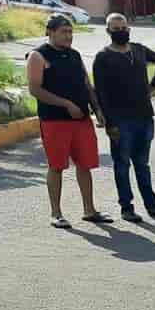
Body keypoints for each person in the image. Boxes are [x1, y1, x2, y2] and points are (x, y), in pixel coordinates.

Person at [27, 14, 109, 227]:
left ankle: (89, 210)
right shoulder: (38, 56)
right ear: (50, 32)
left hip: (81, 119)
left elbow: (86, 83)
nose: (68, 36)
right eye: (63, 32)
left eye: (70, 32)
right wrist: (65, 104)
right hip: (54, 121)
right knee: (56, 166)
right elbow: (35, 89)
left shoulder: (74, 55)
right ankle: (56, 213)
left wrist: (96, 108)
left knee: (85, 164)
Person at [92, 12, 155, 223]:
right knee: (122, 164)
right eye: (115, 29)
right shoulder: (103, 57)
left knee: (142, 164)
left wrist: (154, 86)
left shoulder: (139, 50)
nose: (120, 32)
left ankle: (152, 205)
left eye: (123, 27)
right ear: (108, 32)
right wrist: (108, 122)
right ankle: (126, 207)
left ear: (129, 29)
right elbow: (101, 93)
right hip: (120, 121)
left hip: (144, 117)